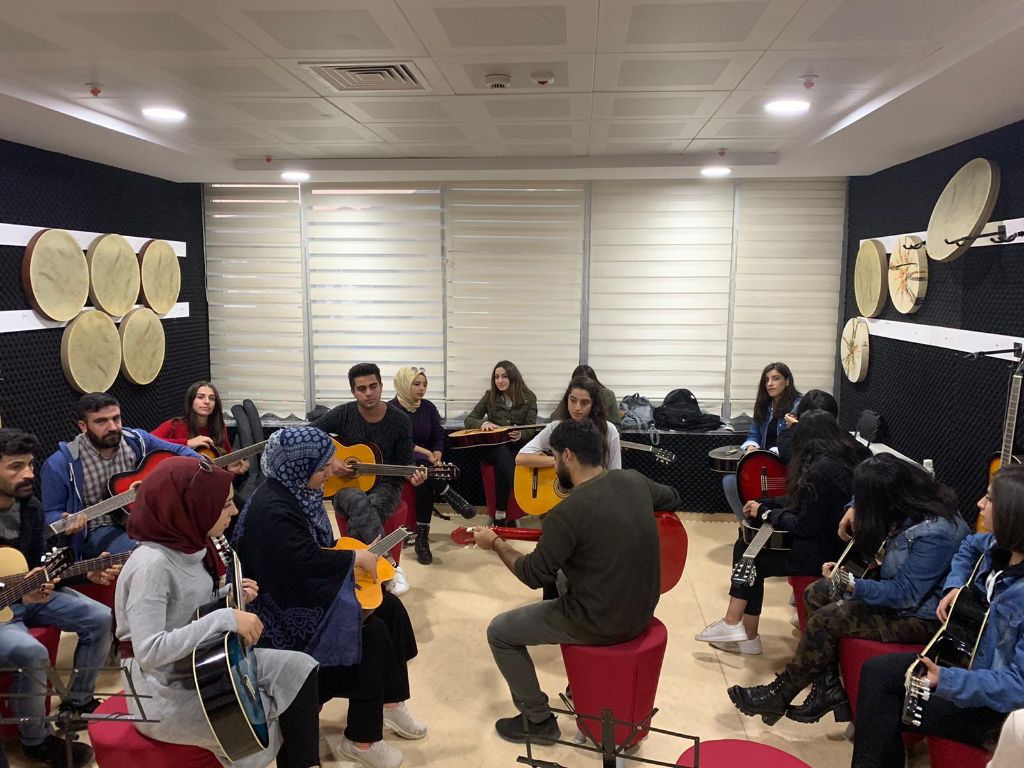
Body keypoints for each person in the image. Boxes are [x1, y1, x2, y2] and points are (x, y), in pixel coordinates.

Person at [473, 420, 679, 743]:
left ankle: (537, 721)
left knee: (499, 632)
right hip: (643, 609)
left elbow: (532, 574)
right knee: (562, 573)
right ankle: (579, 684)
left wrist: (496, 542)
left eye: (554, 458)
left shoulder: (565, 513)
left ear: (567, 455)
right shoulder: (634, 480)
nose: (555, 466)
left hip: (602, 621)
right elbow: (673, 497)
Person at [231, 427, 425, 768]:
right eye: (321, 467)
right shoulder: (273, 509)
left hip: (300, 589)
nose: (329, 472)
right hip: (282, 615)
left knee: (389, 607)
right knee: (373, 634)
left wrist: (353, 558)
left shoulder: (293, 491)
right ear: (299, 466)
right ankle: (362, 740)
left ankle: (391, 703)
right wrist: (355, 558)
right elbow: (304, 563)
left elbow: (312, 553)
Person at [727, 454, 969, 724]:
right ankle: (827, 688)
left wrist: (850, 584)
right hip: (903, 595)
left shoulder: (937, 534)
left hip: (922, 616)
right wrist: (853, 507)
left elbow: (904, 595)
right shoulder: (914, 500)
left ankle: (779, 695)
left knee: (828, 619)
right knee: (816, 593)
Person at [114, 456, 322, 768]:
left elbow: (189, 608)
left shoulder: (191, 543)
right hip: (160, 687)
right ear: (192, 507)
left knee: (300, 669)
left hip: (200, 661)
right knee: (260, 716)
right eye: (224, 505)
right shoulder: (152, 566)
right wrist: (225, 617)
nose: (234, 511)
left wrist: (228, 596)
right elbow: (150, 651)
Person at [849, 466, 1024, 767]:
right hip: (969, 664)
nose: (980, 504)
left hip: (999, 712)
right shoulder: (999, 546)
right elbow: (968, 546)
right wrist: (955, 585)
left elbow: (1017, 687)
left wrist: (947, 679)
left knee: (882, 706)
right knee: (877, 672)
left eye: (990, 498)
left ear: (1013, 513)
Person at [0, 428, 120, 768]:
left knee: (99, 617)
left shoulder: (30, 507)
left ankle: (78, 703)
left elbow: (41, 564)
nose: (28, 474)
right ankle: (35, 741)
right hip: (3, 612)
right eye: (15, 466)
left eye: (30, 464)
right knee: (32, 652)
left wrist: (80, 575)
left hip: (28, 597)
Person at [696, 410, 860, 655]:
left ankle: (741, 629)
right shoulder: (839, 461)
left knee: (752, 558)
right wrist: (767, 503)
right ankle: (741, 631)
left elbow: (804, 525)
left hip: (821, 554)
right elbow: (802, 501)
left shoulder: (820, 469)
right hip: (826, 544)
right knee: (745, 545)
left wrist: (766, 512)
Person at [314, 363, 426, 596]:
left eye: (373, 386)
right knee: (357, 499)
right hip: (345, 485)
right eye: (361, 388)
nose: (368, 393)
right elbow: (308, 433)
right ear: (353, 392)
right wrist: (331, 458)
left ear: (381, 386)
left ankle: (351, 573)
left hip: (387, 483)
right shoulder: (344, 413)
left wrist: (414, 476)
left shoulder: (400, 420)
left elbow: (406, 464)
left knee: (367, 510)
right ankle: (390, 566)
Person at [41, 392, 198, 558]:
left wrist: (206, 465)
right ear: (83, 426)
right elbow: (50, 513)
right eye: (101, 421)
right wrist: (65, 520)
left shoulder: (136, 440)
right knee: (151, 553)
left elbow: (180, 451)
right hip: (98, 530)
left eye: (116, 418)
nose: (113, 427)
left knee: (193, 535)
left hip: (143, 518)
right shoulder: (60, 463)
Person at [390, 366, 475, 566]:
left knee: (424, 480)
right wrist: (425, 453)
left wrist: (437, 453)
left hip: (424, 463)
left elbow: (438, 435)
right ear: (404, 384)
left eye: (425, 384)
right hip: (398, 460)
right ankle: (450, 495)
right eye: (416, 384)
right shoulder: (390, 409)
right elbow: (396, 443)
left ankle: (421, 539)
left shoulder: (428, 407)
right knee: (423, 467)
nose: (422, 388)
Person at [723, 362, 800, 519]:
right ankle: (745, 526)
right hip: (764, 465)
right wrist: (751, 447)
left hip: (787, 468)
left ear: (787, 381)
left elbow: (799, 441)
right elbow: (754, 434)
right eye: (767, 380)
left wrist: (775, 452)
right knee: (730, 482)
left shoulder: (798, 405)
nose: (770, 383)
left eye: (776, 378)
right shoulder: (763, 405)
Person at [464, 360, 538, 527]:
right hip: (493, 447)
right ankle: (521, 489)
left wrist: (520, 434)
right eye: (496, 377)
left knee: (502, 463)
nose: (500, 381)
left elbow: (531, 427)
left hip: (516, 447)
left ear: (513, 377)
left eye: (504, 376)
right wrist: (483, 424)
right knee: (502, 452)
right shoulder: (489, 395)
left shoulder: (529, 397)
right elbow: (469, 419)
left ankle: (500, 515)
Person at [517, 376, 621, 470]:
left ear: (594, 405)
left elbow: (615, 472)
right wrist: (562, 462)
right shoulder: (556, 427)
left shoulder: (609, 430)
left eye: (584, 402)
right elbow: (521, 457)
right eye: (573, 400)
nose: (577, 408)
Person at [151, 380, 249, 475]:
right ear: (191, 401)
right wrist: (187, 443)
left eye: (212, 398)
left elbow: (223, 459)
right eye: (200, 397)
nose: (207, 401)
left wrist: (229, 468)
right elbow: (146, 442)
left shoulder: (219, 426)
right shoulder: (174, 425)